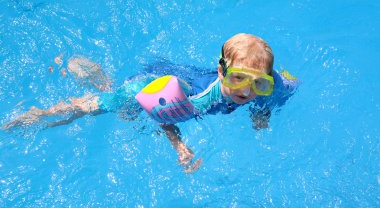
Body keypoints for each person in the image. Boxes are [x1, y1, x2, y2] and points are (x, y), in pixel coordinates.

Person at [1, 33, 298, 172]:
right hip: (152, 86)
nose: (247, 91)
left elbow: (282, 87)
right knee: (109, 105)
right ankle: (41, 113)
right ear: (221, 72)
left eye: (259, 82)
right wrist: (179, 146)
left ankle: (99, 78)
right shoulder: (204, 95)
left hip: (174, 78)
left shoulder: (269, 86)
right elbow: (163, 114)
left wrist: (263, 114)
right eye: (238, 80)